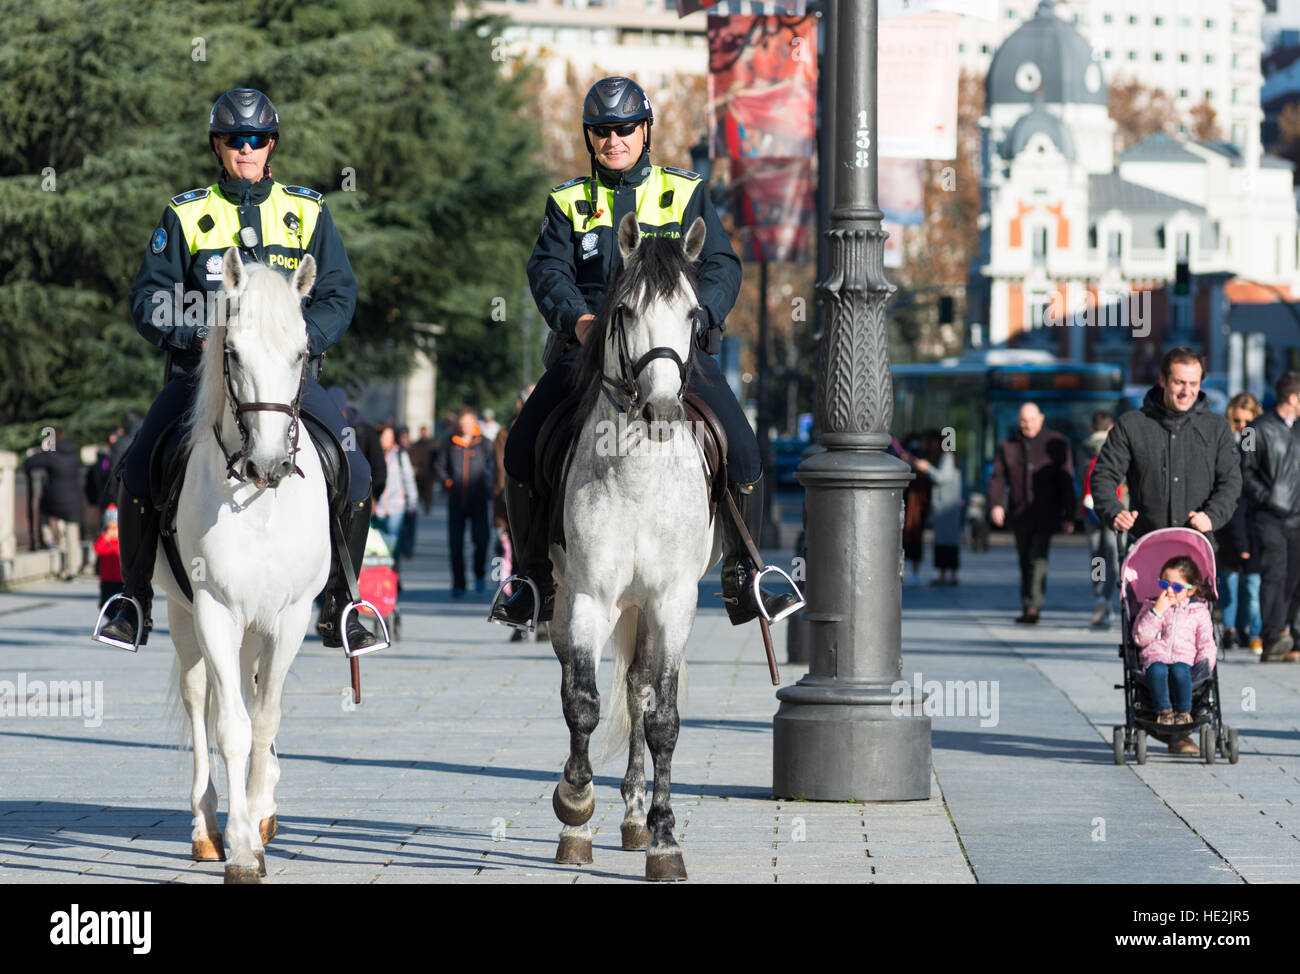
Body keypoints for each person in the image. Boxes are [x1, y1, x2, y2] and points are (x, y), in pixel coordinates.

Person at [494, 75, 803, 629]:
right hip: (590, 349)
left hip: (670, 348)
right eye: (602, 131)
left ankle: (743, 574)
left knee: (747, 451)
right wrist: (579, 320)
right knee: (520, 450)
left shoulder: (685, 190)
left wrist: (699, 314)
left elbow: (722, 265)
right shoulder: (567, 200)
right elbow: (548, 270)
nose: (614, 140)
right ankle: (533, 577)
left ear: (645, 130)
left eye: (624, 129)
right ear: (590, 138)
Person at [99, 88, 380, 653]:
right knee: (137, 467)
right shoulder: (185, 214)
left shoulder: (308, 209)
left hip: (287, 383)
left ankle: (342, 602)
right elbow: (150, 297)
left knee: (357, 471)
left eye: (256, 139)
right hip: (198, 381)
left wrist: (300, 340)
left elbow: (337, 292)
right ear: (218, 146)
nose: (246, 149)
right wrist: (196, 335)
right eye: (234, 140)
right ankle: (134, 600)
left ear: (271, 144)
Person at [1091, 347, 1241, 551]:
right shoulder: (1131, 425)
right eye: (1179, 382)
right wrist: (1114, 511)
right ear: (1163, 380)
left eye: (1193, 384)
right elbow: (1103, 476)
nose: (1186, 392)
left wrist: (1212, 516)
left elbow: (1231, 481)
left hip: (1198, 549)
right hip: (1145, 547)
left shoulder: (1217, 428)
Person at [987, 403, 1076, 624]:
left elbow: (1066, 479)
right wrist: (996, 504)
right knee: (1025, 559)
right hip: (1020, 514)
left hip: (1046, 513)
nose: (1028, 425)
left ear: (1041, 418)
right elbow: (998, 477)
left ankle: (1033, 605)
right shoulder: (1008, 446)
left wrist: (1069, 514)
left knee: (1039, 559)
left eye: (1032, 420)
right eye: (1024, 421)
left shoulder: (1057, 443)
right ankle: (1028, 603)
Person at [1240, 372, 1300, 662]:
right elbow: (1244, 472)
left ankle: (1294, 637)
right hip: (1269, 517)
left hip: (1298, 517)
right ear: (1293, 398)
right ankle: (1273, 635)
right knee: (1274, 574)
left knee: (1295, 577)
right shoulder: (1255, 430)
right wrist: (1268, 498)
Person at [1131, 555, 1217, 755]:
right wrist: (1157, 612)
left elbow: (1206, 642)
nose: (1169, 590)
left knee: (1180, 671)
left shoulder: (1198, 612)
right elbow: (1140, 638)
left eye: (1177, 587)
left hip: (1184, 658)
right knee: (1157, 670)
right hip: (1156, 656)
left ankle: (1183, 713)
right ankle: (1164, 712)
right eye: (1164, 583)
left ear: (1191, 589)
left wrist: (1205, 663)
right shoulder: (1151, 606)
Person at [1218, 393, 1263, 654]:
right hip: (1229, 521)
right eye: (1236, 420)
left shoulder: (1258, 443)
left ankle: (1249, 630)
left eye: (1247, 421)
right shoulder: (1227, 446)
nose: (1242, 427)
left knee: (1252, 583)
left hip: (1254, 522)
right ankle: (1231, 629)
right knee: (1230, 580)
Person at [439, 406, 493, 596]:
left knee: (482, 541)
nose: (465, 427)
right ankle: (458, 584)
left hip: (478, 501)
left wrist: (488, 487)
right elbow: (440, 465)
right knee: (456, 544)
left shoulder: (485, 444)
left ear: (475, 423)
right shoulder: (450, 442)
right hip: (456, 501)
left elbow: (492, 467)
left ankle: (479, 574)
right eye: (462, 424)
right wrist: (448, 482)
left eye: (469, 423)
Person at [22, 428, 86, 582]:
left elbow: (30, 463)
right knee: (73, 536)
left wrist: (43, 450)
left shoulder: (51, 454)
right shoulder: (74, 454)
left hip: (55, 500)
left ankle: (49, 539)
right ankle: (73, 569)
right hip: (75, 500)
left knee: (42, 512)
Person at [1080, 411, 1121, 628]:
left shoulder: (1084, 449)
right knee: (1113, 555)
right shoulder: (1117, 445)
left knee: (1097, 556)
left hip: (1090, 510)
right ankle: (1108, 597)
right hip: (1114, 509)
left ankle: (1099, 596)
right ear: (1110, 427)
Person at [373, 425, 418, 579]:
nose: (388, 441)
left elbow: (408, 479)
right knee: (378, 546)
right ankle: (379, 577)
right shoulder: (373, 455)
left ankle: (393, 578)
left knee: (393, 545)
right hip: (377, 507)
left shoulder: (400, 455)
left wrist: (412, 501)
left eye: (390, 437)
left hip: (396, 507)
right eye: (385, 437)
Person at [94, 506, 123, 608]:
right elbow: (98, 549)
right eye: (109, 528)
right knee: (105, 604)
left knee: (119, 603)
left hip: (120, 579)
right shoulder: (104, 541)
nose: (112, 531)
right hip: (107, 579)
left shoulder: (121, 542)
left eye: (115, 528)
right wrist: (104, 537)